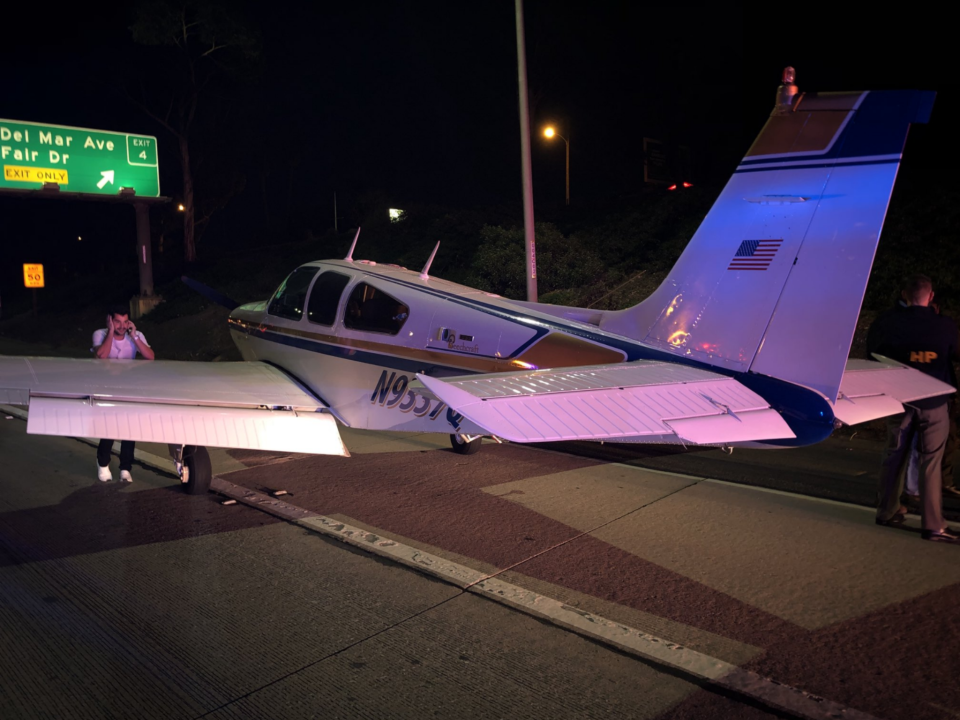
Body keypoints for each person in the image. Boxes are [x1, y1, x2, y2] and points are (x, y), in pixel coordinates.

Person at [868, 275, 960, 543]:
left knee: (893, 455)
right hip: (933, 401)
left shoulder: (886, 322)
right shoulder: (944, 325)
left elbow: (872, 353)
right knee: (930, 461)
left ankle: (886, 511)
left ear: (904, 294)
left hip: (897, 399)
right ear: (931, 297)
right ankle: (933, 526)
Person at [92, 305, 155, 483]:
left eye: (124, 322)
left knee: (130, 428)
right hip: (108, 387)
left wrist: (134, 336)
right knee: (110, 428)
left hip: (130, 386)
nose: (121, 326)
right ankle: (103, 463)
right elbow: (101, 356)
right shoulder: (100, 334)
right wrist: (111, 332)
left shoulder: (136, 335)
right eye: (117, 322)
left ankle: (125, 468)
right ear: (110, 320)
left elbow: (150, 357)